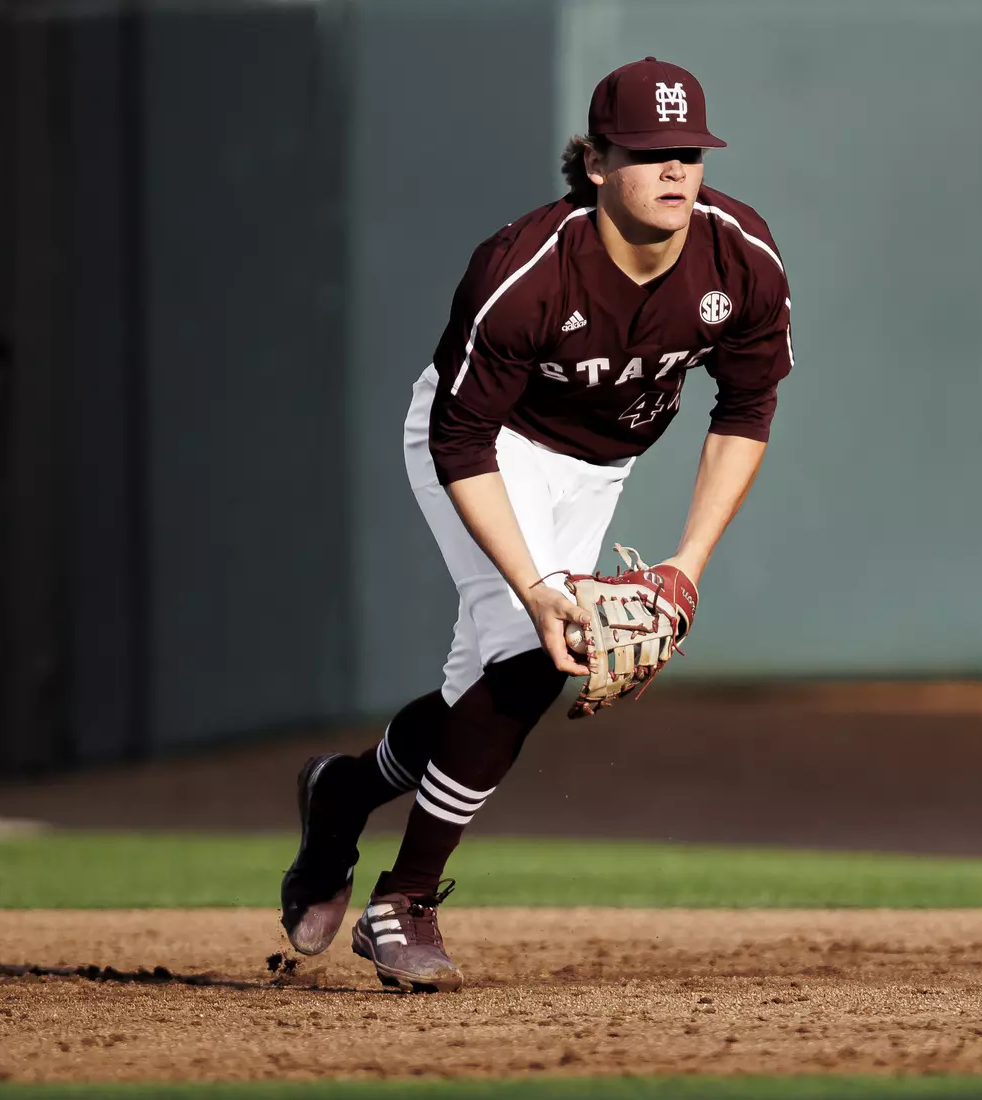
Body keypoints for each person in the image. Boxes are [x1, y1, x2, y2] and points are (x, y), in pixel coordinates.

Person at [279, 58, 795, 993]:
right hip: (486, 446)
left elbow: (745, 411)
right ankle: (406, 901)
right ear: (595, 163)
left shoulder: (740, 257)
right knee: (530, 646)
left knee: (487, 687)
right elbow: (461, 439)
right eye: (648, 153)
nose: (675, 171)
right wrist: (533, 584)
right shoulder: (522, 269)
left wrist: (685, 564)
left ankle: (344, 794)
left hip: (601, 465)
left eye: (688, 152)